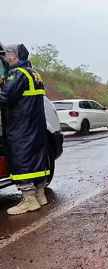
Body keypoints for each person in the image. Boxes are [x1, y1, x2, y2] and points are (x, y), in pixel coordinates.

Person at [0, 44, 49, 215]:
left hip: (20, 126)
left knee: (21, 158)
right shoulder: (33, 73)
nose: (5, 58)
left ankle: (29, 200)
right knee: (36, 156)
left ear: (14, 57)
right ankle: (40, 195)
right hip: (35, 125)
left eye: (7, 55)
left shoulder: (17, 74)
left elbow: (5, 98)